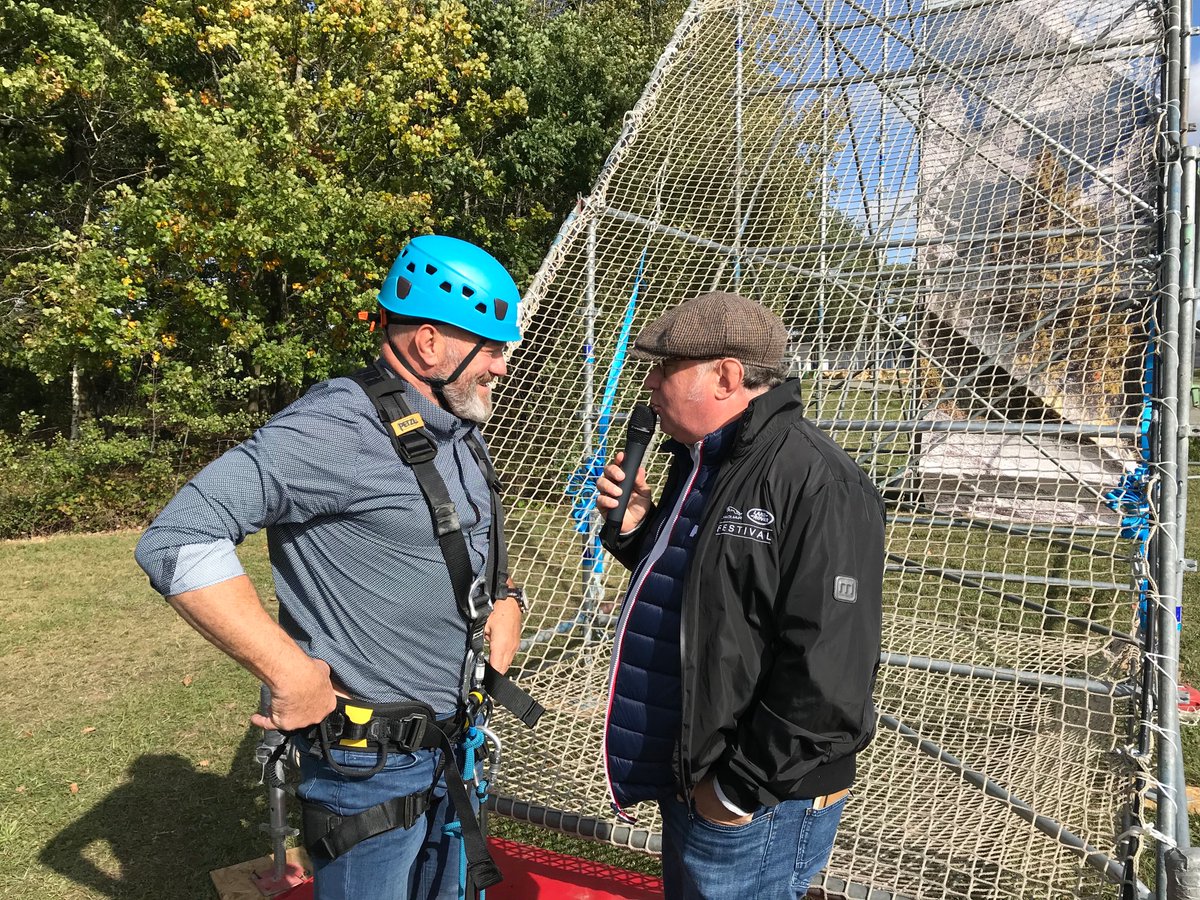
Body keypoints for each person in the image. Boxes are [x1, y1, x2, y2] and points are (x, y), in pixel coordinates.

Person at [135, 235, 538, 900]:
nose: (502, 365)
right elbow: (178, 537)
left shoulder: (455, 427)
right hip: (369, 769)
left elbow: (468, 534)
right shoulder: (336, 426)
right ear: (429, 344)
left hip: (453, 746)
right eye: (492, 348)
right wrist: (288, 670)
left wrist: (508, 597)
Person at [595, 291, 884, 899]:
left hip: (755, 799)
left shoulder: (819, 481)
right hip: (696, 772)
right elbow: (710, 593)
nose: (649, 382)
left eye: (665, 367)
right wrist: (640, 532)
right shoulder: (702, 462)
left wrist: (736, 790)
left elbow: (829, 675)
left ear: (726, 377)